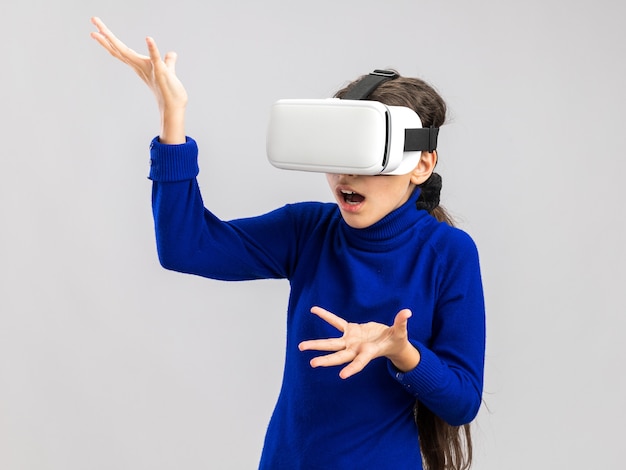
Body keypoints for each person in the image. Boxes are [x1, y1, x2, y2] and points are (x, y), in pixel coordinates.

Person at [90, 17, 485, 470]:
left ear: (421, 164)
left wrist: (401, 350)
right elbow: (186, 246)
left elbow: (462, 402)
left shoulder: (449, 253)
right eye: (336, 155)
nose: (346, 176)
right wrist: (171, 118)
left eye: (365, 158)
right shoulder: (309, 230)